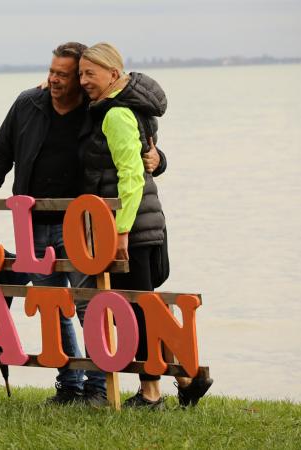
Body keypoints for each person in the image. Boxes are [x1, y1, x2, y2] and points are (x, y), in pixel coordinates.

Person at [0, 42, 166, 407]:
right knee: (52, 306)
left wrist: (159, 159)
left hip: (80, 225)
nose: (55, 79)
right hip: (31, 221)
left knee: (89, 306)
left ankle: (96, 387)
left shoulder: (98, 111)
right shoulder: (27, 104)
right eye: (53, 72)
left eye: (65, 74)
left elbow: (138, 150)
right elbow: (1, 150)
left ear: (83, 80)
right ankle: (69, 383)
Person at [78, 42, 213, 409]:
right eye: (80, 74)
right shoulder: (123, 107)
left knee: (136, 311)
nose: (84, 80)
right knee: (145, 308)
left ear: (113, 73)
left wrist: (121, 230)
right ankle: (187, 377)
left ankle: (153, 391)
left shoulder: (115, 114)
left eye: (91, 73)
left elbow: (131, 175)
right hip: (144, 224)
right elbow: (146, 156)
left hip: (132, 229)